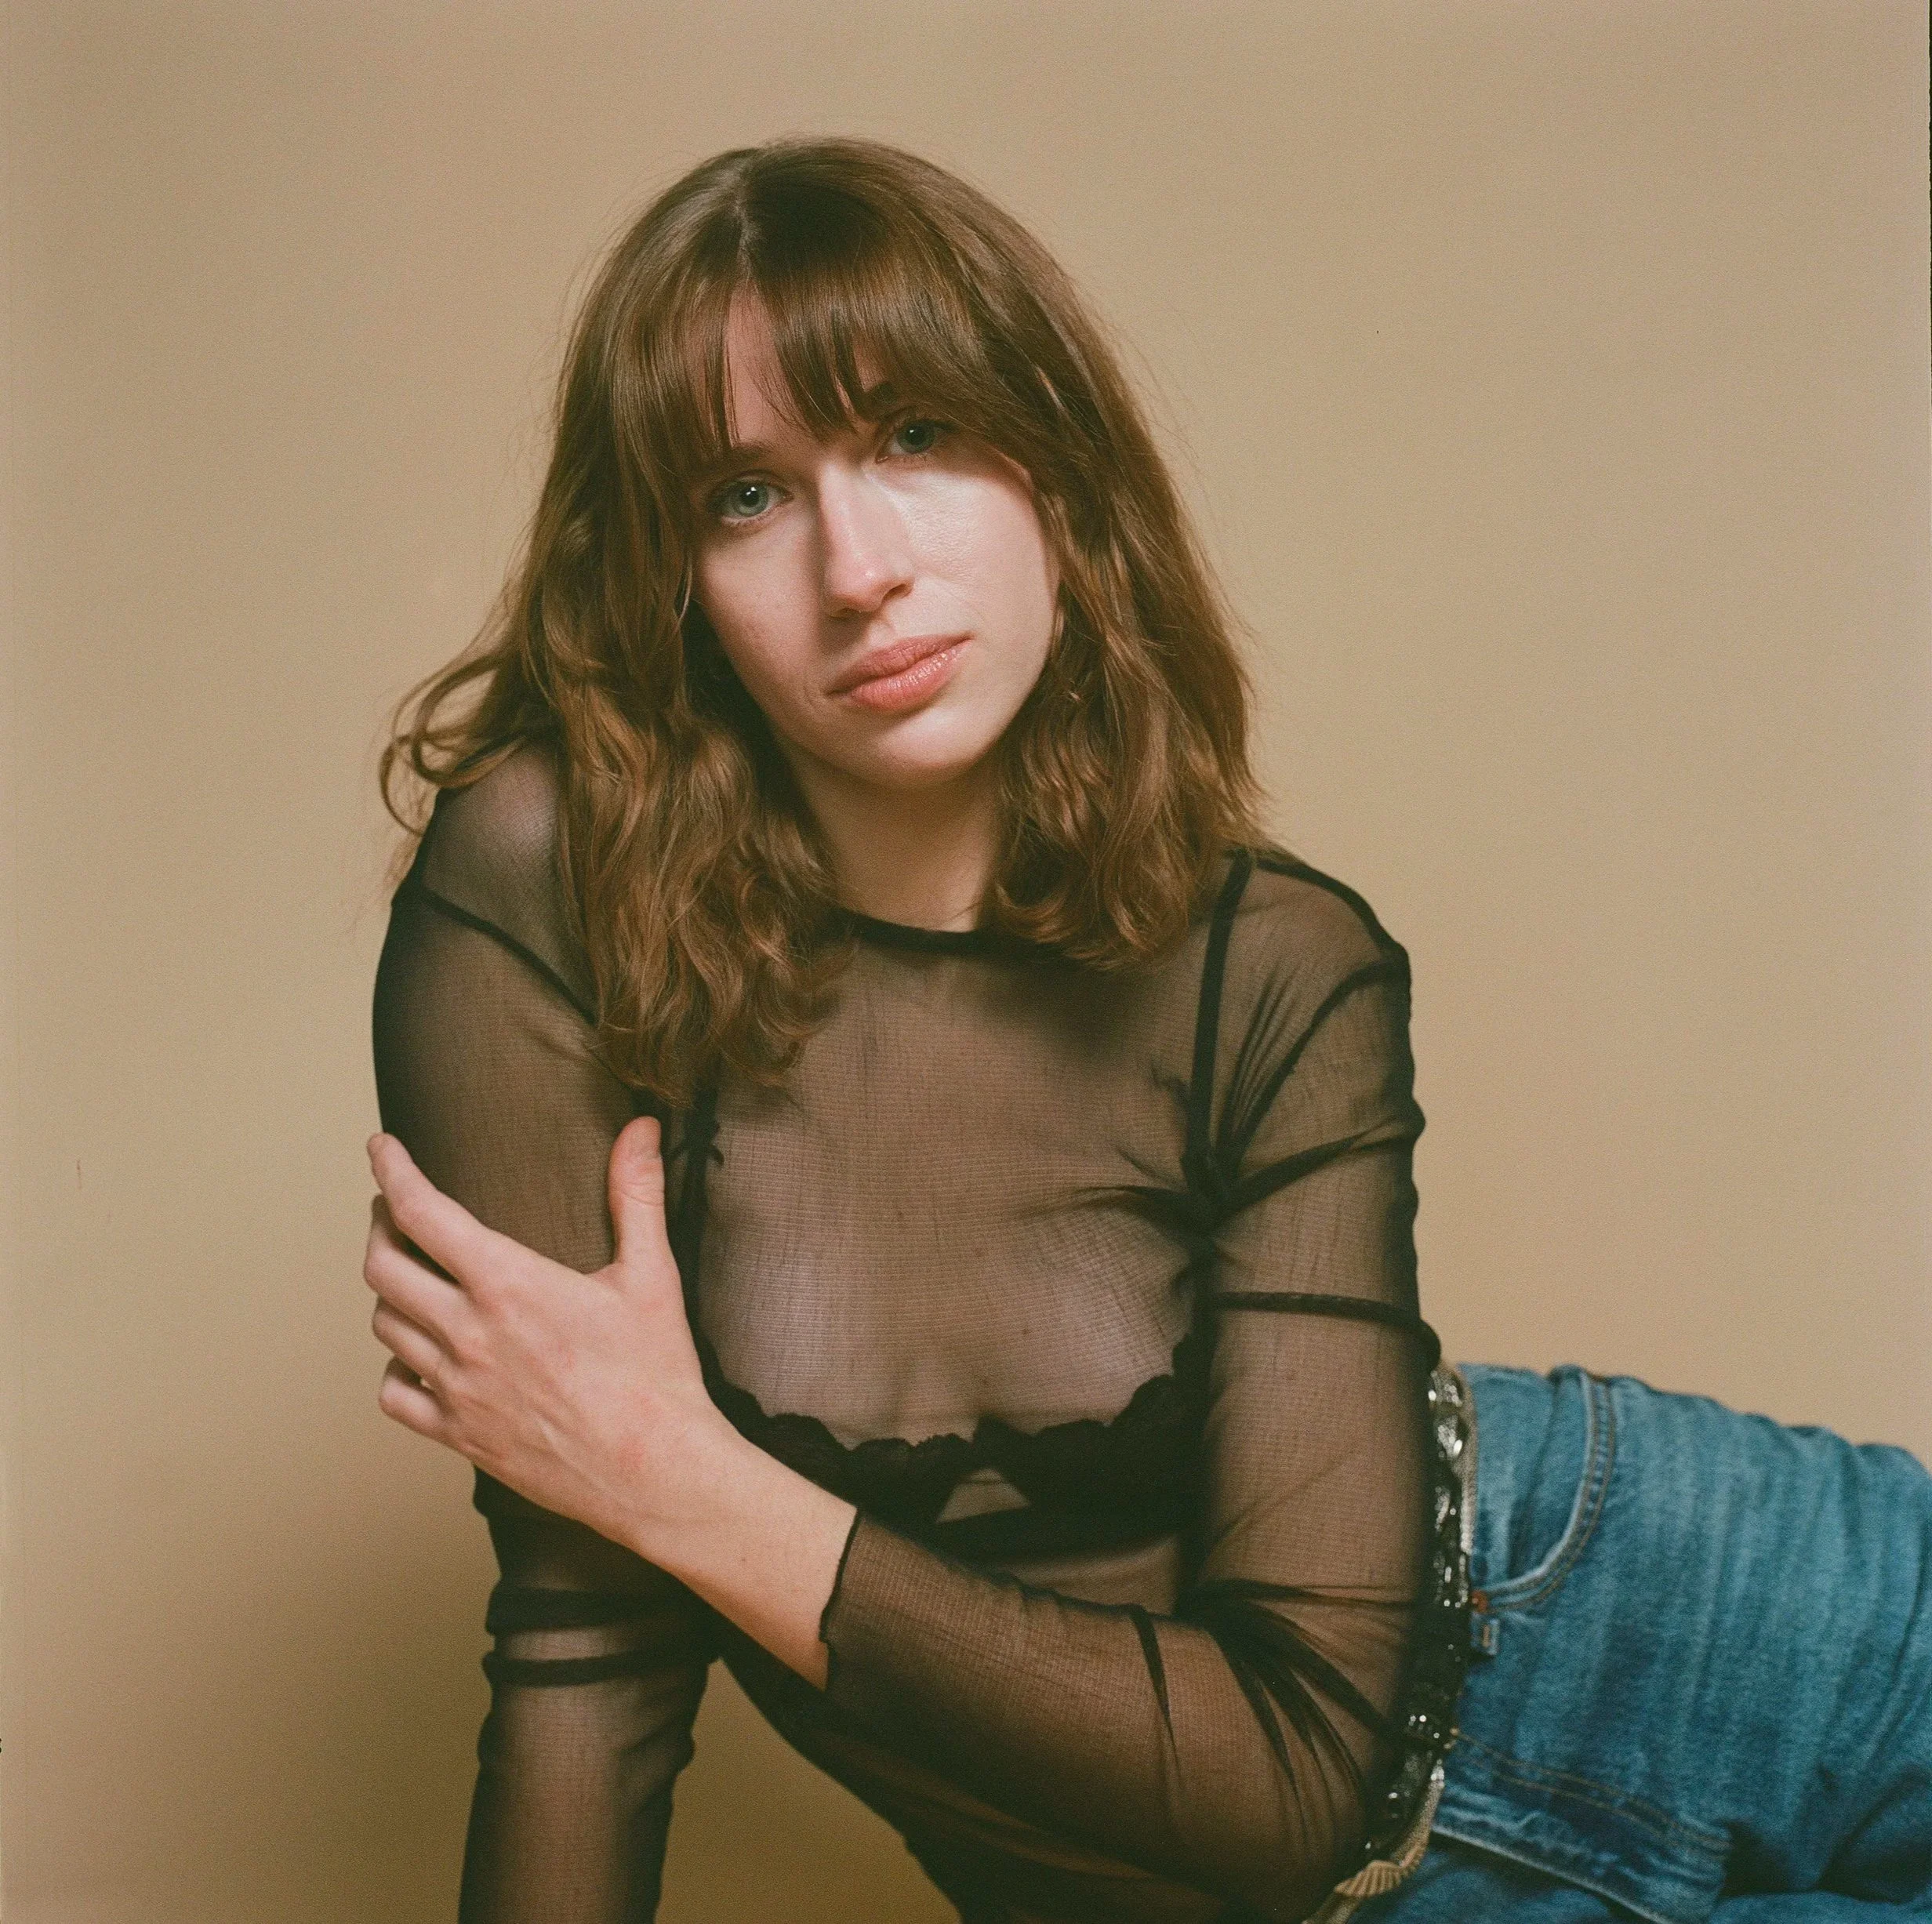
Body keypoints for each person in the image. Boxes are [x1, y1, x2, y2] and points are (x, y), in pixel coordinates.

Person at [365, 136, 1931, 1924]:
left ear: (1053, 477)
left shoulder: (1274, 963)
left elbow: (1283, 1778)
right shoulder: (546, 881)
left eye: (911, 439)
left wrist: (678, 1479)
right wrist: (636, 1499)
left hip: (1736, 1619)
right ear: (672, 576)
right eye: (744, 494)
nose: (855, 566)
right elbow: (582, 1650)